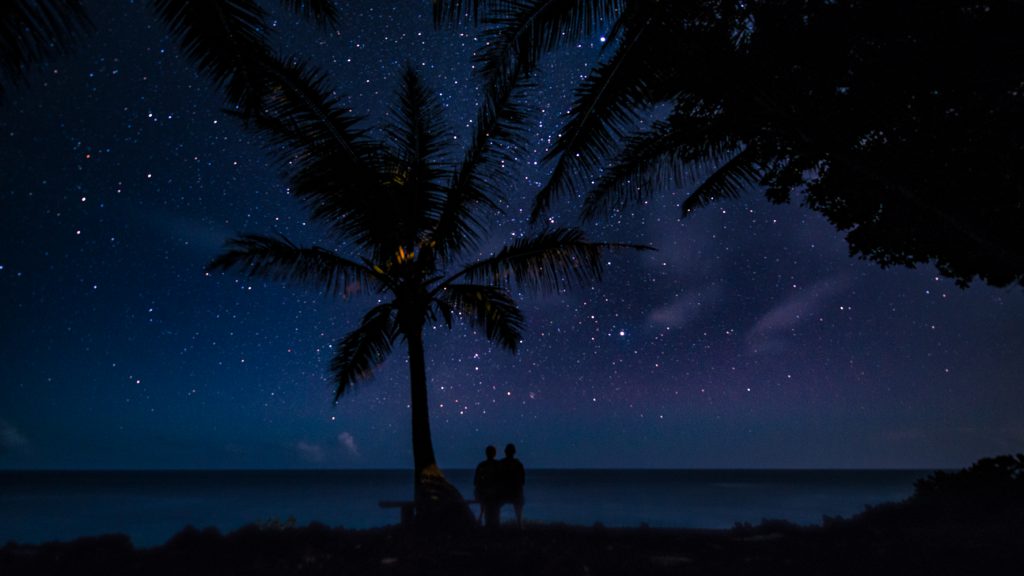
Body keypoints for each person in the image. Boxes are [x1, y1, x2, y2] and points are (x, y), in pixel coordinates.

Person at [497, 443, 526, 528]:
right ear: (514, 452)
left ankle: (496, 523)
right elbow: (523, 481)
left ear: (505, 452)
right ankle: (519, 524)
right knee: (519, 502)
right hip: (515, 493)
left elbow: (496, 478)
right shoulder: (518, 464)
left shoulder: (500, 463)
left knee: (496, 504)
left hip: (502, 493)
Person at [473, 445, 501, 528]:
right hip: (492, 494)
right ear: (495, 454)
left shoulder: (481, 465)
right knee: (493, 505)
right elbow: (502, 480)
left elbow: (476, 482)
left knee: (487, 504)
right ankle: (493, 524)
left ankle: (487, 523)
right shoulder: (498, 465)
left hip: (484, 493)